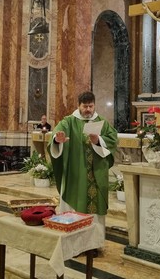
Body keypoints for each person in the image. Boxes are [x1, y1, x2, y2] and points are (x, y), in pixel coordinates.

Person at [47, 91, 118, 251]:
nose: (88, 110)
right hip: (76, 176)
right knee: (74, 211)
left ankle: (94, 246)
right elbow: (56, 134)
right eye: (84, 106)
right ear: (78, 106)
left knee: (95, 213)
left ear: (94, 105)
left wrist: (98, 140)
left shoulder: (102, 122)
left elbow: (113, 139)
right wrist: (57, 140)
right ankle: (74, 246)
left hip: (96, 177)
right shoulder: (69, 122)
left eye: (90, 106)